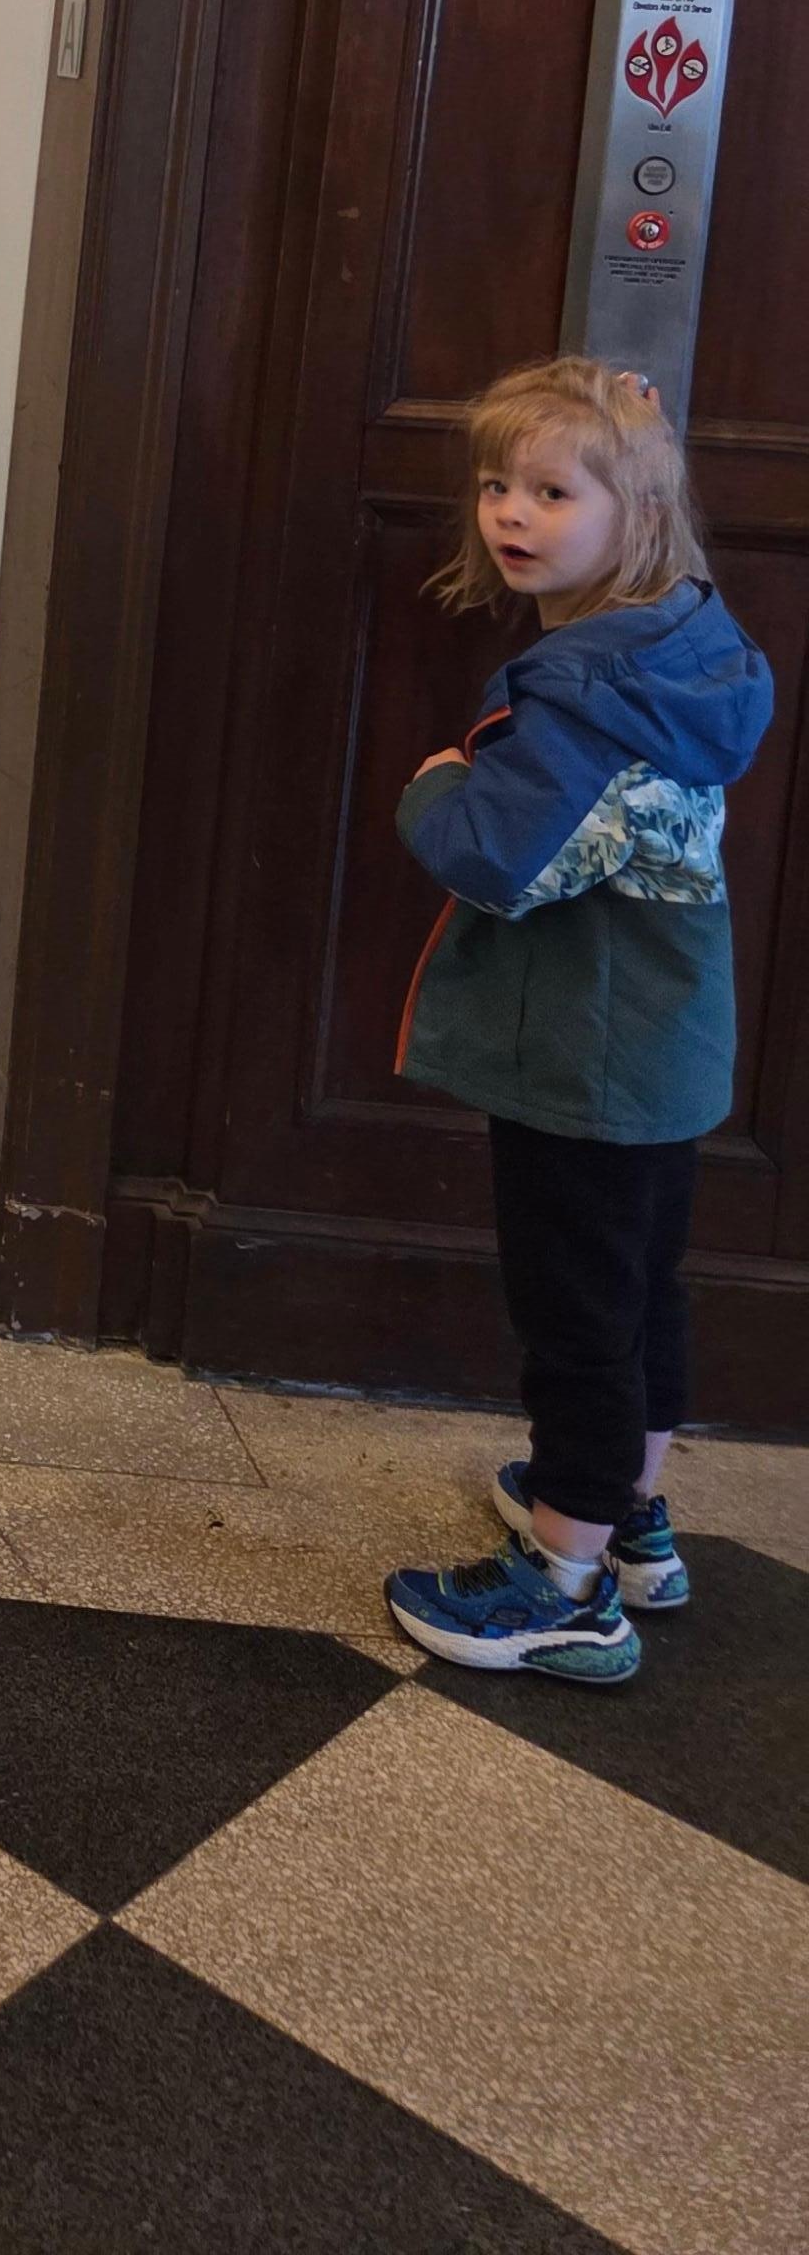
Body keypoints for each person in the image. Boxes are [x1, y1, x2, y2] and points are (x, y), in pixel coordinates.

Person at [383, 356, 772, 1682]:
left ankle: (562, 1583)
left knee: (577, 1321)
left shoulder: (581, 696)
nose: (511, 511)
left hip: (581, 1058)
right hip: (667, 1044)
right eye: (498, 484)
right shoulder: (688, 645)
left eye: (553, 492)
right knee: (640, 1292)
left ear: (637, 513)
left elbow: (501, 860)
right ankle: (631, 1519)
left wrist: (436, 784)